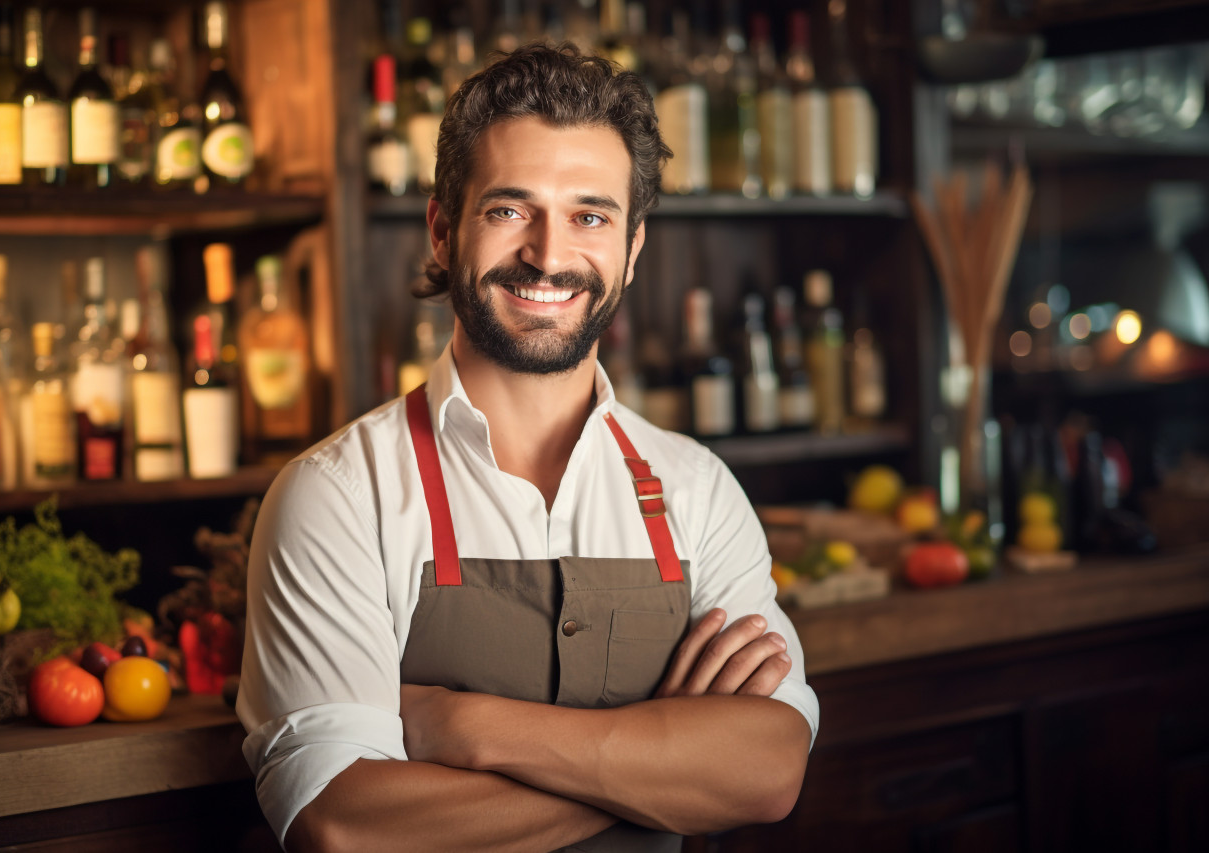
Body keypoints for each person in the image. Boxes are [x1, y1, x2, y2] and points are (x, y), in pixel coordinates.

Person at [237, 43, 818, 852]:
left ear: (632, 248)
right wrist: (666, 763)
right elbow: (344, 825)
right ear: (444, 230)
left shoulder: (696, 490)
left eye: (590, 215)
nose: (549, 255)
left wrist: (465, 725)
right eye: (510, 209)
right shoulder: (337, 495)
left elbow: (768, 771)